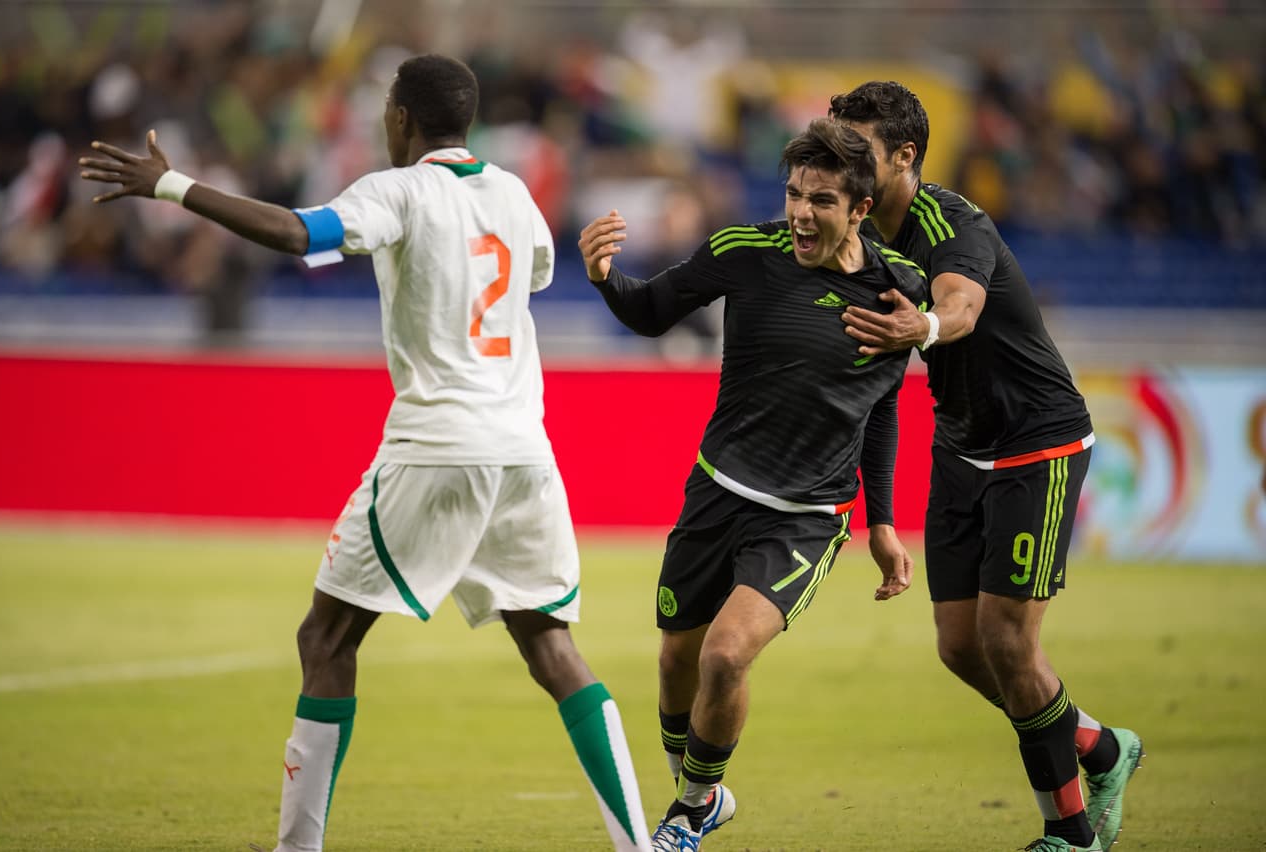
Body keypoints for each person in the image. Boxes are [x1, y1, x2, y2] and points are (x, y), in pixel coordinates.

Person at [78, 54, 651, 852]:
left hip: (437, 445)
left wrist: (172, 186)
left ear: (401, 118)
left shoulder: (400, 190)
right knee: (553, 649)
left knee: (326, 640)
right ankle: (638, 845)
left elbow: (297, 232)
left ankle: (298, 848)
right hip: (525, 449)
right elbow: (530, 281)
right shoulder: (516, 196)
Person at [578, 118, 924, 851]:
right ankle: (699, 790)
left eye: (822, 201)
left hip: (805, 517)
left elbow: (883, 406)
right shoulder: (744, 250)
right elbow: (653, 311)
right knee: (677, 660)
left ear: (861, 208)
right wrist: (606, 276)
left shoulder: (898, 289)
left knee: (725, 653)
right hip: (716, 491)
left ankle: (689, 811)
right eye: (795, 194)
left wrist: (883, 521)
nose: (801, 213)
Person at [829, 81, 1144, 852]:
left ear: (905, 155)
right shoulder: (859, 233)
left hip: (1038, 443)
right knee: (961, 648)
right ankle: (1100, 746)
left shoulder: (953, 222)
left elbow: (960, 307)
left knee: (1008, 642)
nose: (840, 163)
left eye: (855, 149)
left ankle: (1069, 831)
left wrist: (924, 327)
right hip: (961, 444)